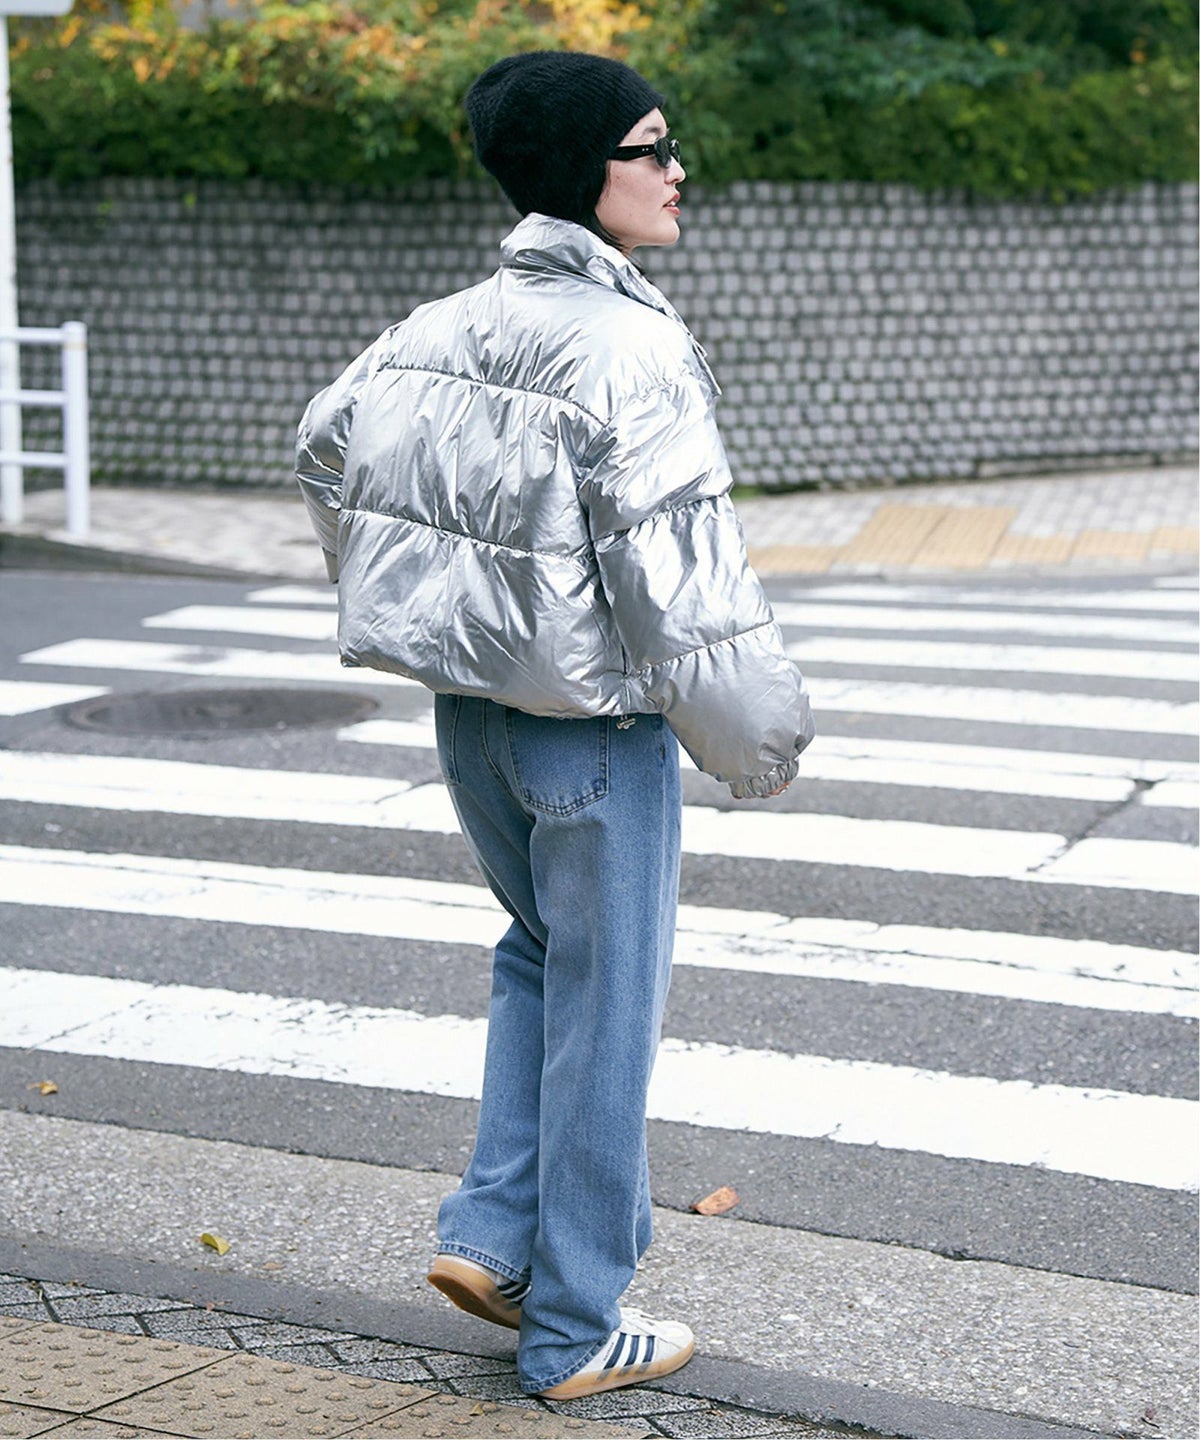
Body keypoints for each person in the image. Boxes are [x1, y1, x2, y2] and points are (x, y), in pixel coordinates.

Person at [296, 49, 814, 1401]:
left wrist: (429, 602)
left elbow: (324, 448)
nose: (677, 170)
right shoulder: (632, 345)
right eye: (653, 148)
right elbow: (683, 576)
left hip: (472, 721)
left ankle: (493, 1241)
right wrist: (757, 745)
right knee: (608, 1001)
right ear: (590, 172)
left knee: (539, 961)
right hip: (589, 731)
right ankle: (577, 1322)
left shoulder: (438, 326)